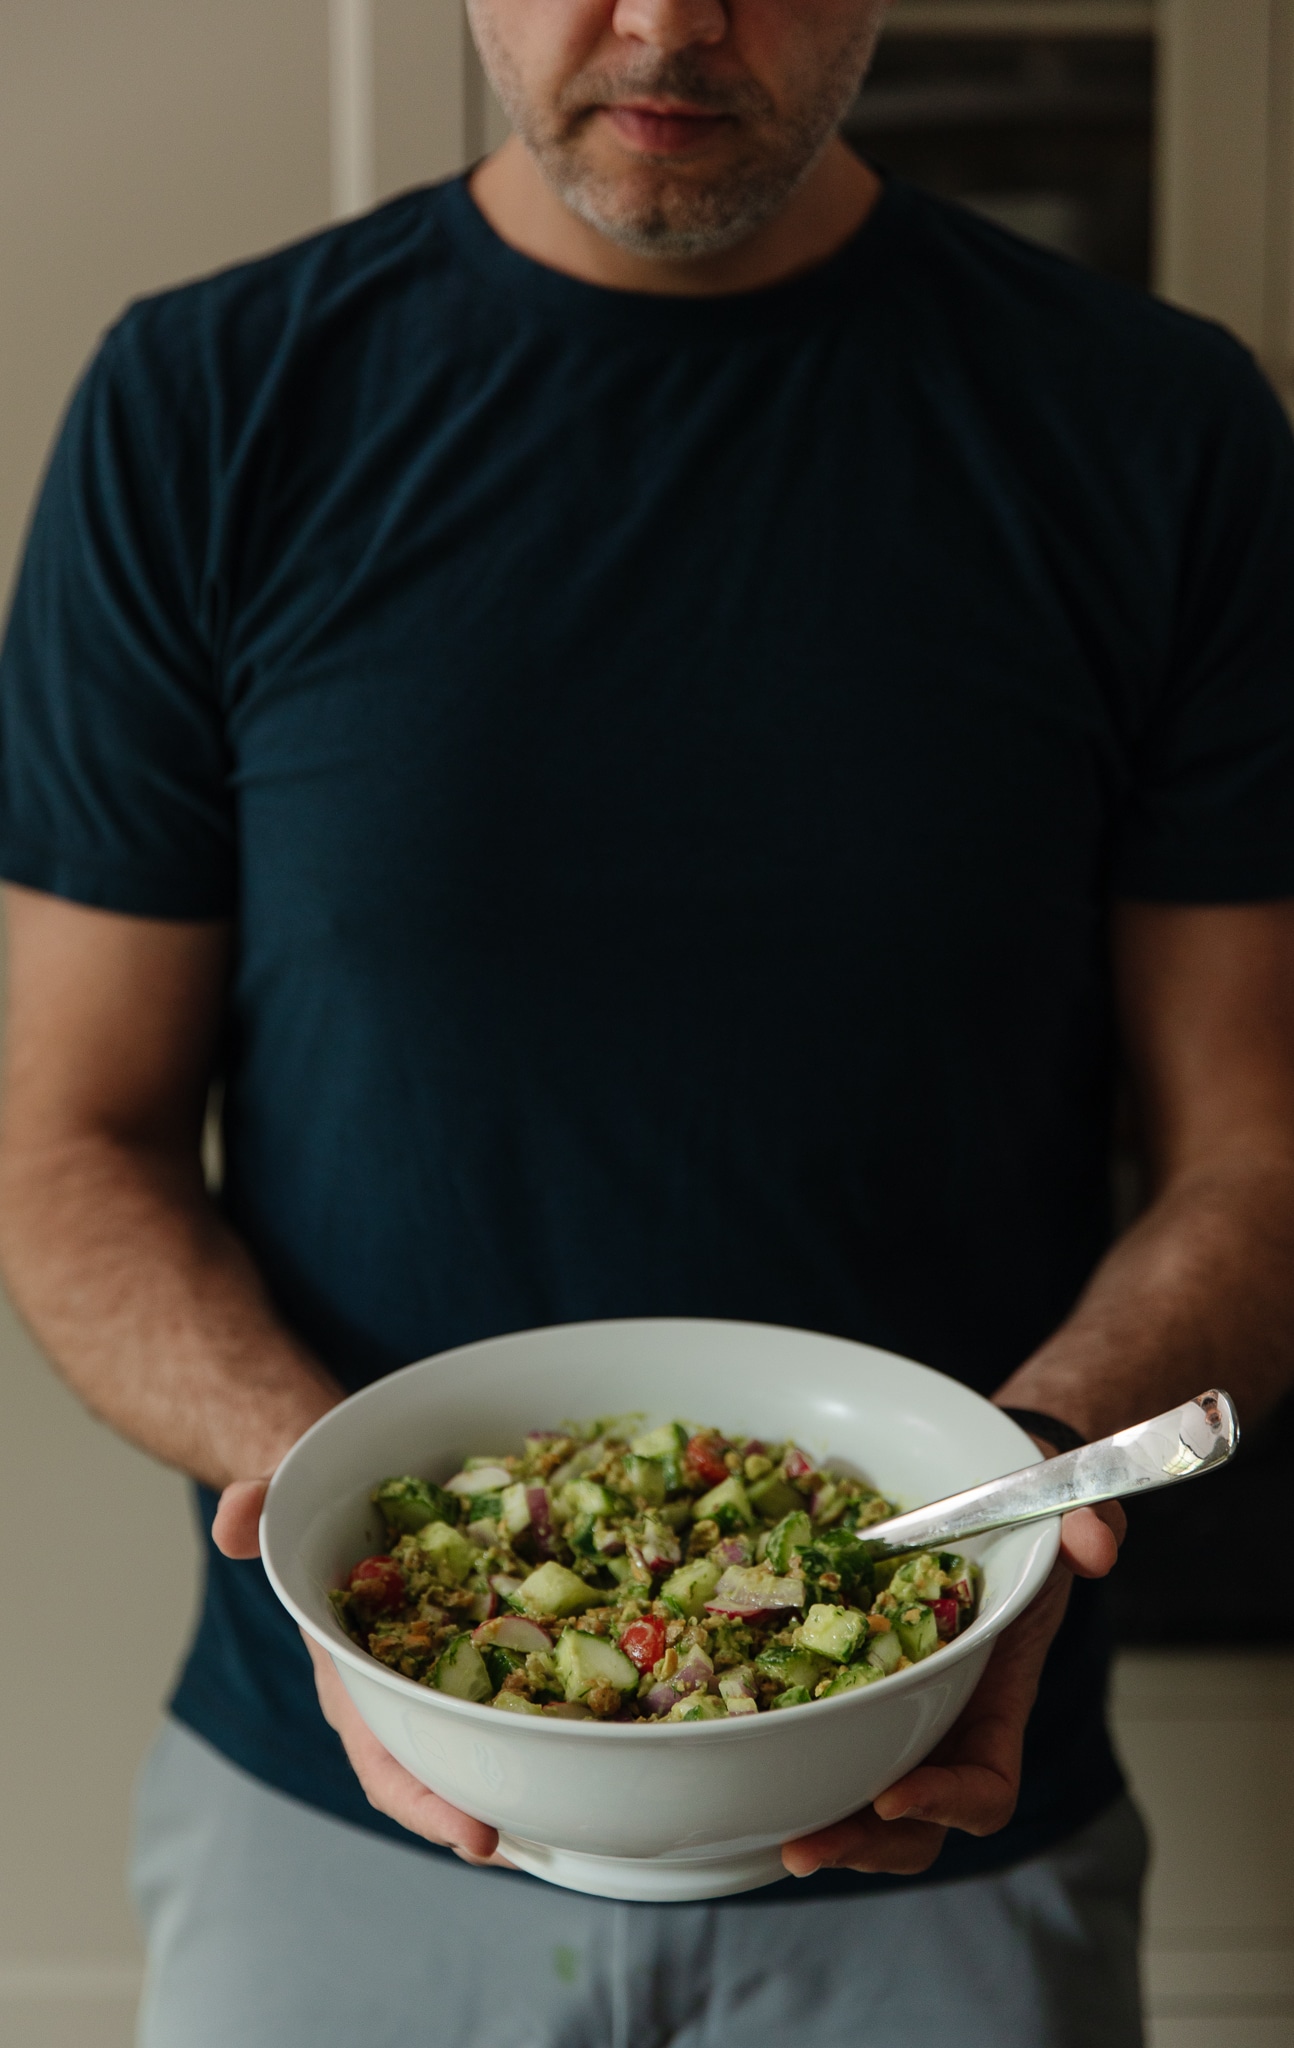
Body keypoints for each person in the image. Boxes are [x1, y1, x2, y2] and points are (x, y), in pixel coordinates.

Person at [1, 0, 1292, 2041]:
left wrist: (1022, 1506)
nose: (671, 19)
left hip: (953, 1820)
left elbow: (1255, 1151)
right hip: (332, 1833)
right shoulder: (202, 407)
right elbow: (67, 1144)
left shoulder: (1153, 428)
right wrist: (337, 1535)